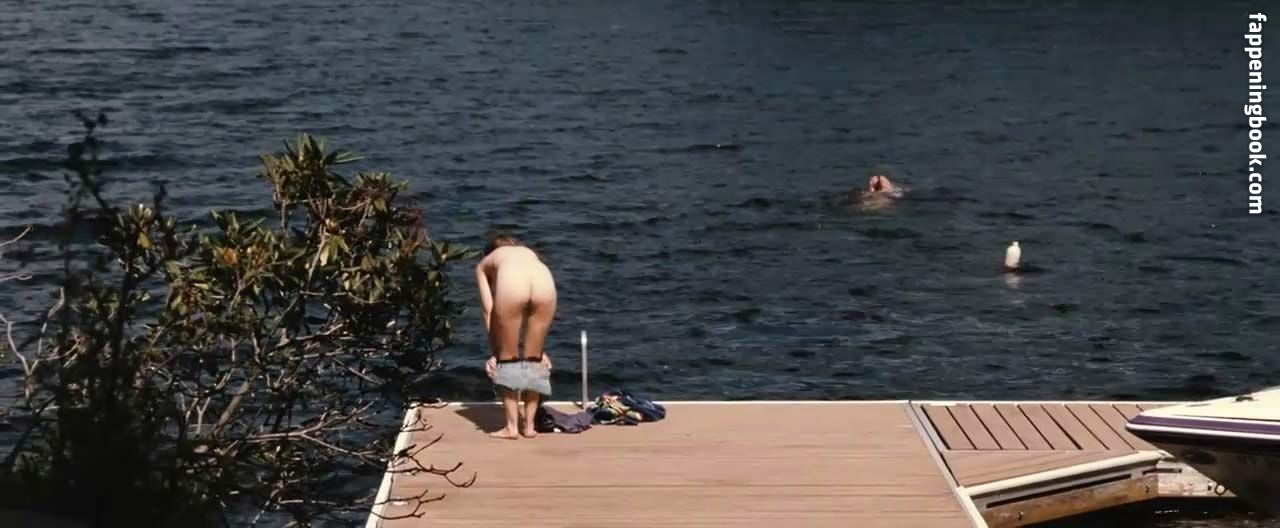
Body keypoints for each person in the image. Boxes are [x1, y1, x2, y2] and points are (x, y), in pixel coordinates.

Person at [475, 234, 557, 439]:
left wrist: (496, 352)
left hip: (513, 287)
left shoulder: (485, 264)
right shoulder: (529, 254)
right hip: (545, 282)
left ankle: (511, 427)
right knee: (534, 360)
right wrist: (539, 350)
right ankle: (529, 427)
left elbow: (489, 311)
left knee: (508, 360)